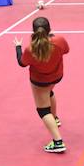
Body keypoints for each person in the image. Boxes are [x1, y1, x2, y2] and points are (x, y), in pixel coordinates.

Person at [14, 16, 70, 153]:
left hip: (39, 81)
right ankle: (55, 118)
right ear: (49, 29)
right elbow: (66, 50)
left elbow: (22, 63)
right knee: (49, 92)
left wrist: (18, 47)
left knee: (43, 111)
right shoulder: (59, 41)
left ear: (33, 33)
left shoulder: (31, 48)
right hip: (57, 77)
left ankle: (58, 142)